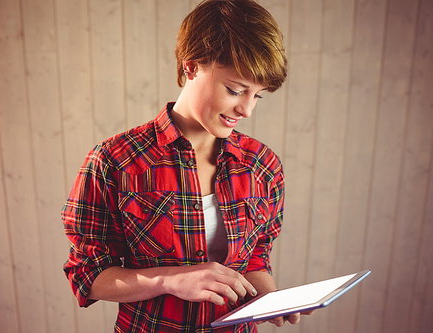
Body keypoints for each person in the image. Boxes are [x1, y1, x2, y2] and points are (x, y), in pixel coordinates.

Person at [62, 0, 309, 331]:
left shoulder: (262, 166)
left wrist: (271, 300)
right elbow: (88, 275)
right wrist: (168, 280)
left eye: (258, 95)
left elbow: (254, 261)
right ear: (190, 67)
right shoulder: (114, 162)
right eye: (235, 90)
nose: (247, 110)